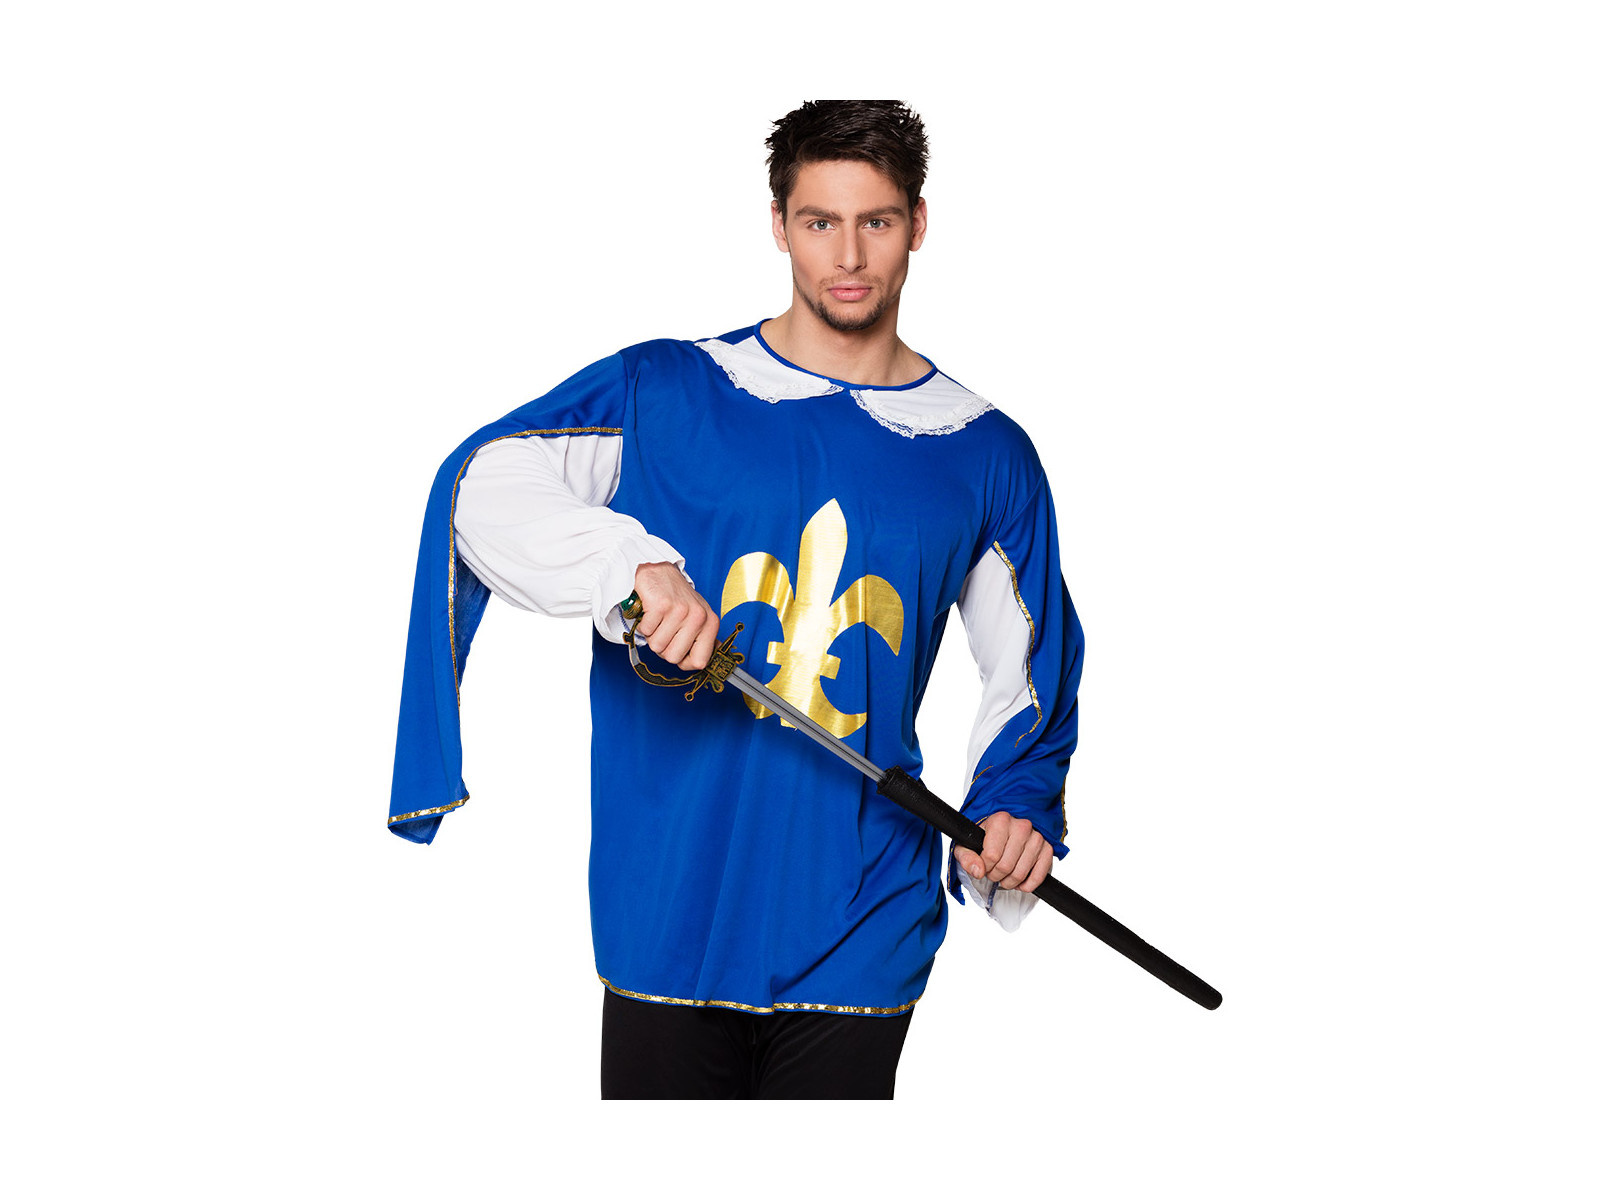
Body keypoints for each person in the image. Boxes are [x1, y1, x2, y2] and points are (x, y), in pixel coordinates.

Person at [388, 100, 1084, 1099]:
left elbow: (1032, 668)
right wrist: (627, 566)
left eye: (877, 221)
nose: (849, 255)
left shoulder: (983, 450)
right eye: (819, 221)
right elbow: (481, 481)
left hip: (862, 908)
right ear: (778, 224)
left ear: (918, 225)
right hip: (671, 901)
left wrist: (1012, 806)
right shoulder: (668, 390)